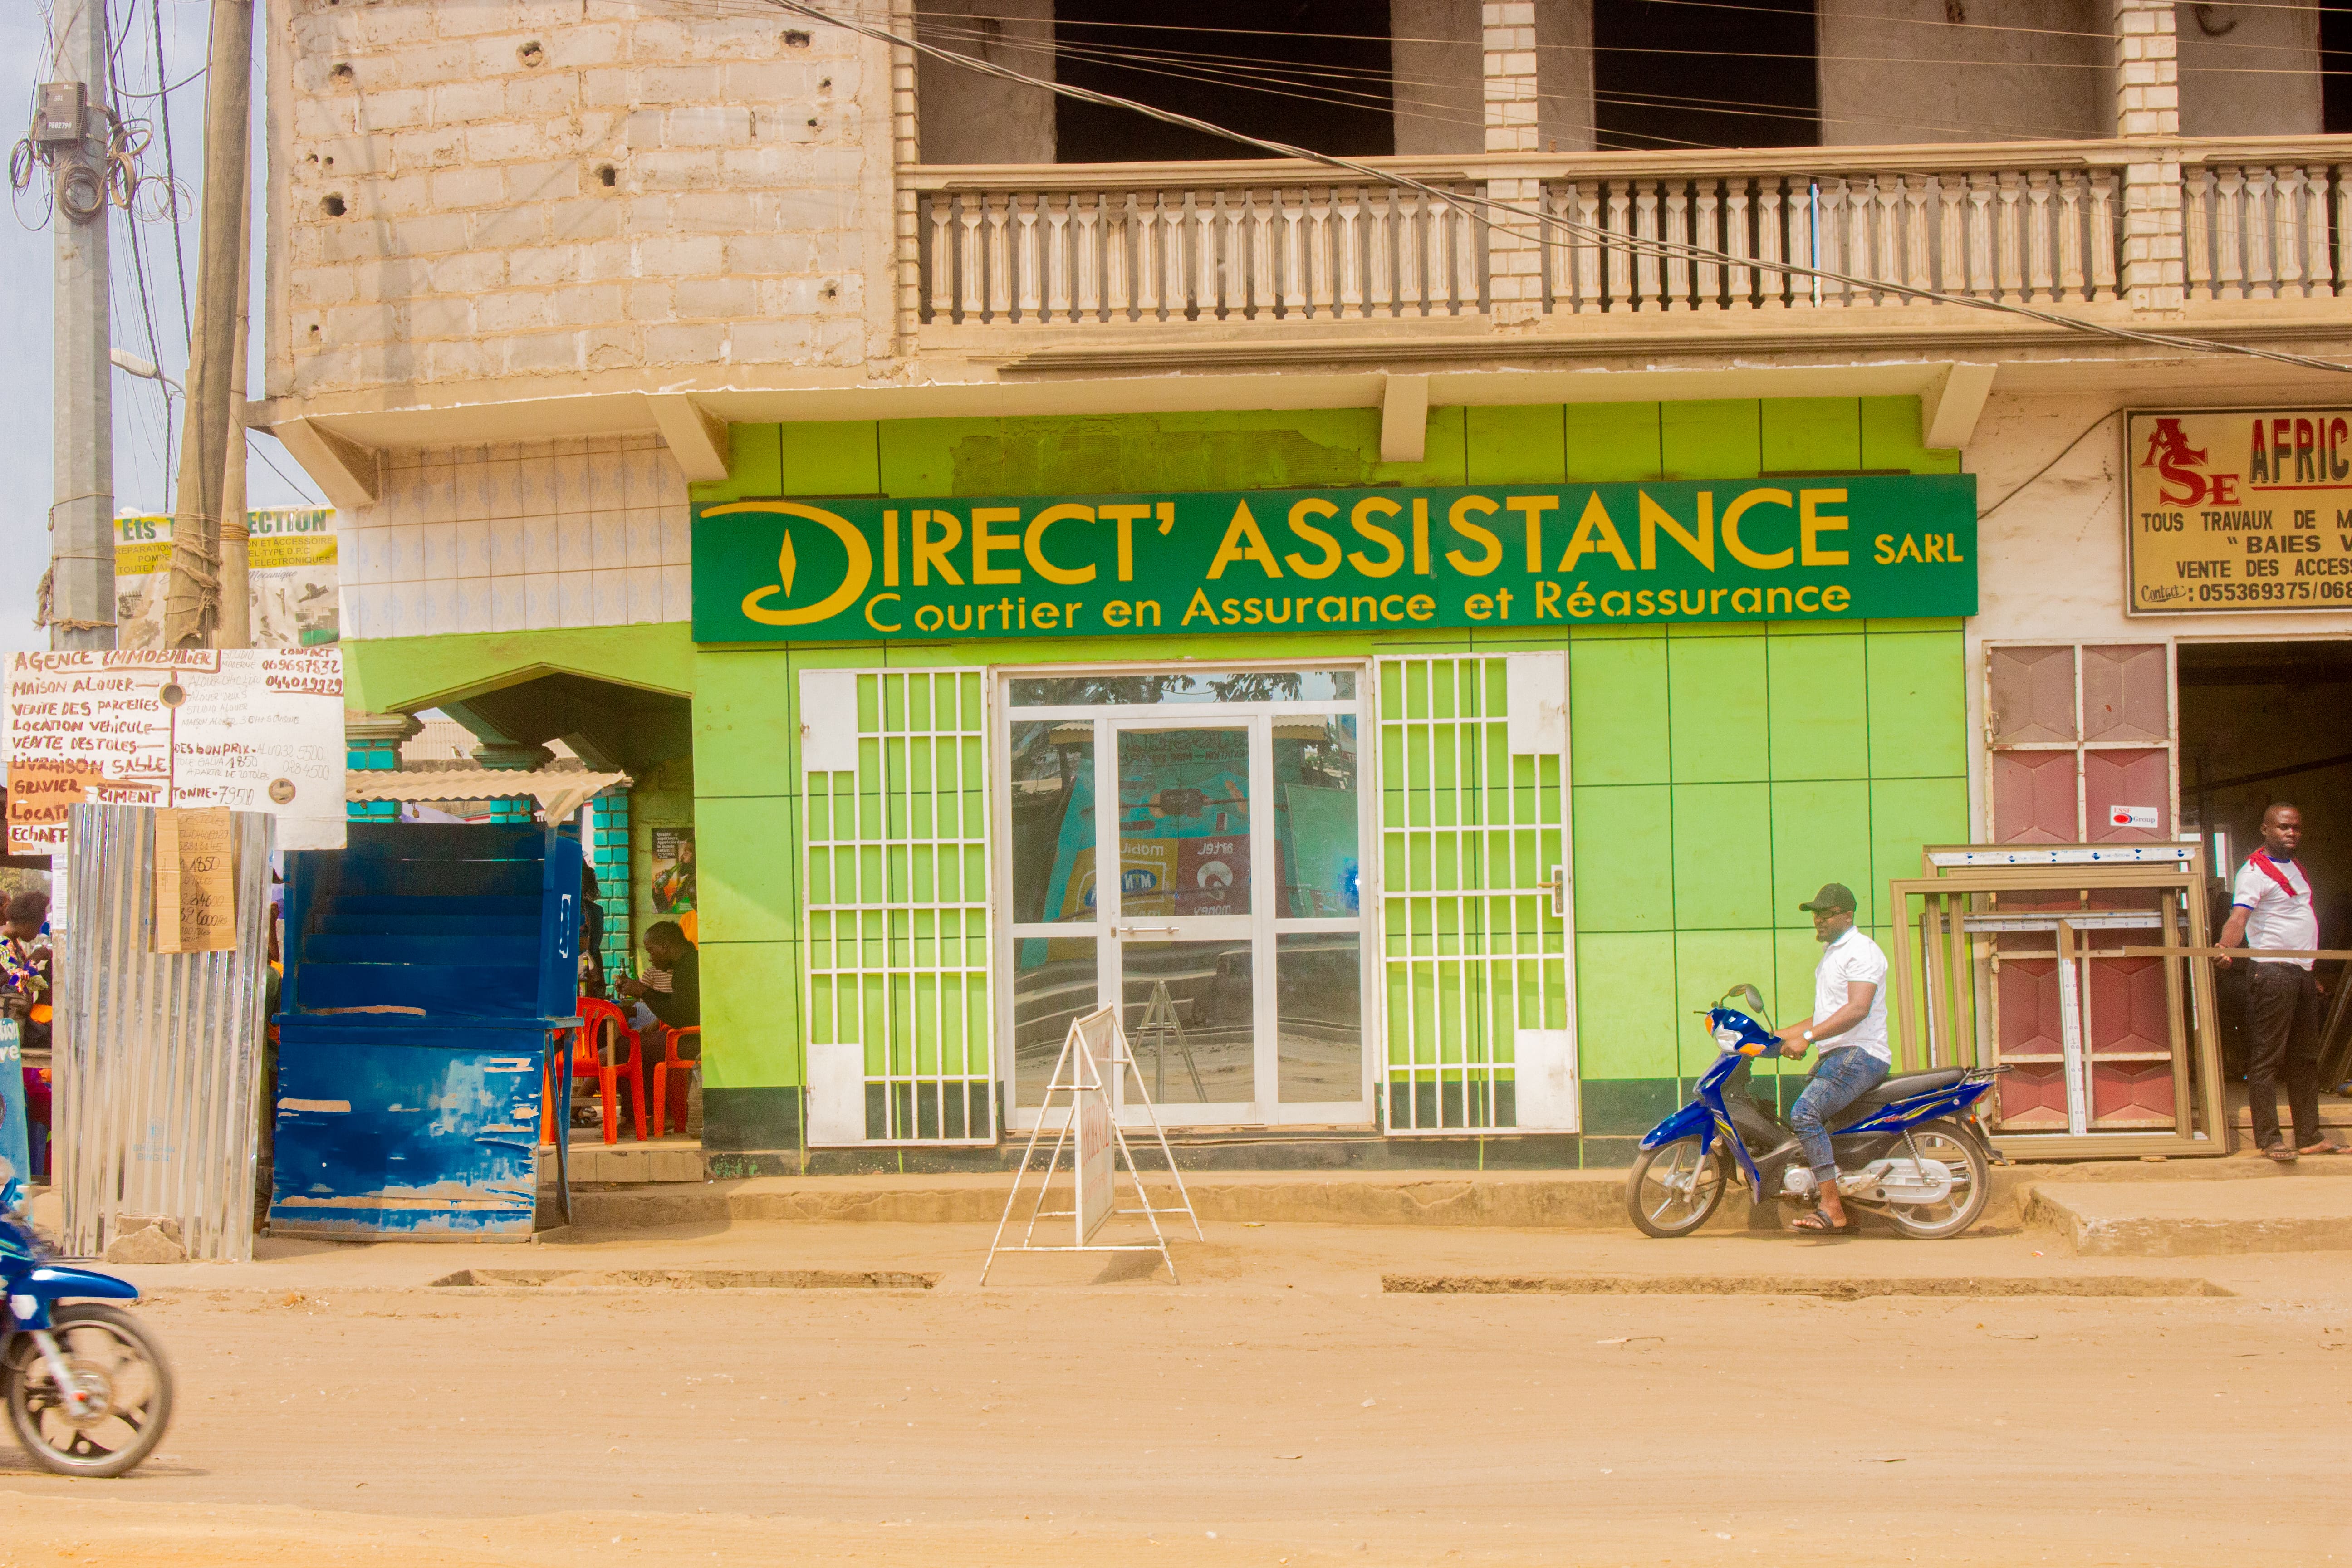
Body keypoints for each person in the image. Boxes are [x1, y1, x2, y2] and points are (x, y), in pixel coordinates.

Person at [2219, 802, 2341, 1162]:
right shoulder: (2254, 872)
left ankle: (2309, 1135)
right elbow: (2239, 917)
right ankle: (2269, 1140)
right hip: (2272, 972)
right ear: (2265, 830)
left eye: (2296, 828)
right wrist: (2227, 947)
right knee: (2267, 1060)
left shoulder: (2294, 868)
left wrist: (2310, 973)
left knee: (2305, 1058)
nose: (2291, 834)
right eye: (2284, 828)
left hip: (2300, 972)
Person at [1775, 882, 1892, 1235]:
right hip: (1840, 1053)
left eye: (1826, 914)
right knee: (1824, 1126)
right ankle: (1846, 1204)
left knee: (1805, 1113)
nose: (1818, 921)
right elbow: (1823, 1016)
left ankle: (1832, 1208)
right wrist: (1768, 1038)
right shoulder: (1833, 954)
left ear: (1847, 914)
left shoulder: (1862, 951)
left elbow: (1857, 1009)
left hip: (1861, 1054)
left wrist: (1808, 1039)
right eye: (1816, 915)